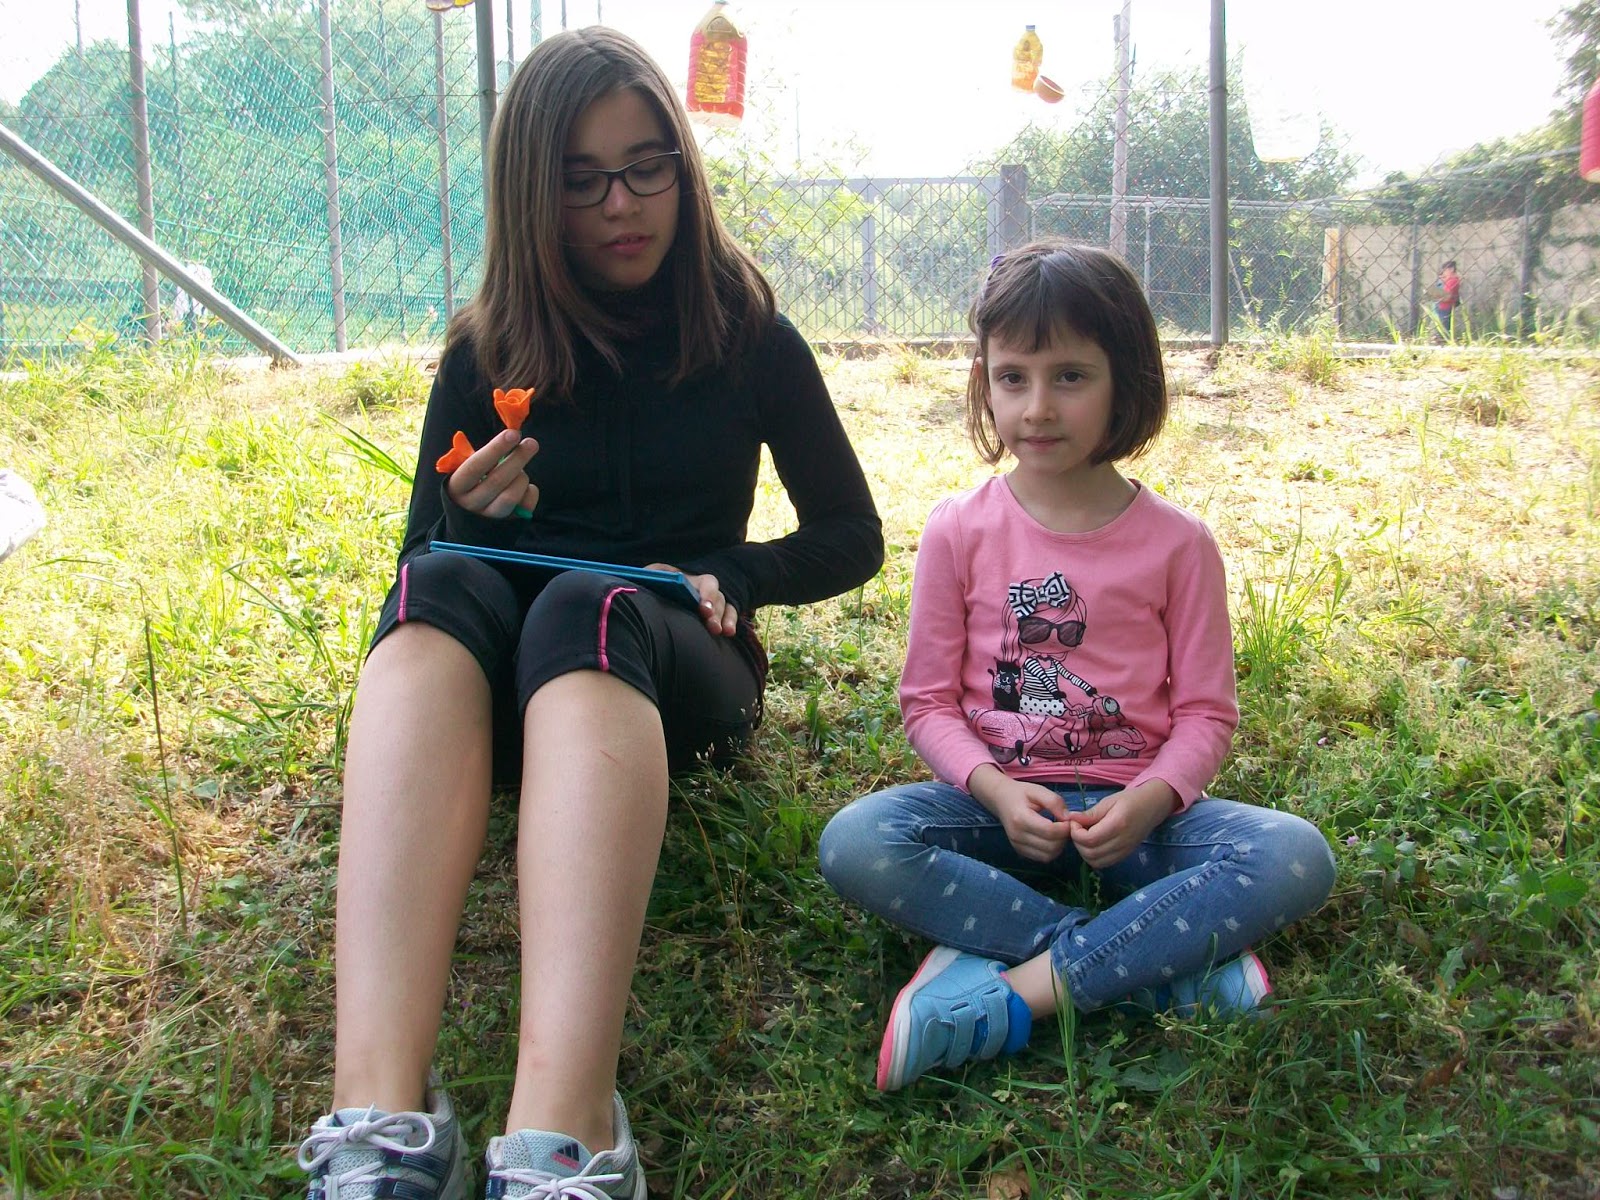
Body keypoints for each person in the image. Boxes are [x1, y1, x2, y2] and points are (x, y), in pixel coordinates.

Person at [295, 27, 883, 1200]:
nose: (623, 203)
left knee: (587, 602)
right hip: (515, 705)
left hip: (670, 677)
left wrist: (735, 573)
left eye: (646, 165)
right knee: (438, 588)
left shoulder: (748, 336)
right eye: (581, 179)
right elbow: (416, 571)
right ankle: (378, 1120)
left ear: (682, 166)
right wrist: (463, 518)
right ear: (533, 195)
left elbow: (850, 535)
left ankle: (560, 1138)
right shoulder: (485, 353)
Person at [817, 241, 1334, 1092]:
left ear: (1126, 381)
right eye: (1012, 377)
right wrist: (994, 791)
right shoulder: (957, 529)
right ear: (983, 381)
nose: (1038, 407)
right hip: (995, 820)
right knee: (858, 840)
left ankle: (1018, 982)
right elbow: (928, 703)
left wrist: (1150, 801)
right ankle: (1157, 962)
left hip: (1140, 824)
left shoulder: (1180, 545)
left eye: (1070, 376)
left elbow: (1207, 714)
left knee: (1294, 854)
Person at [1431, 259, 1462, 341]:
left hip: (1444, 307)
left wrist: (1435, 294)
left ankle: (1442, 340)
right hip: (1441, 306)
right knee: (1439, 328)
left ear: (1451, 269)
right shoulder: (1448, 280)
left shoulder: (1453, 281)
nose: (1444, 273)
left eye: (1445, 270)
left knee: (1443, 329)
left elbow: (1447, 296)